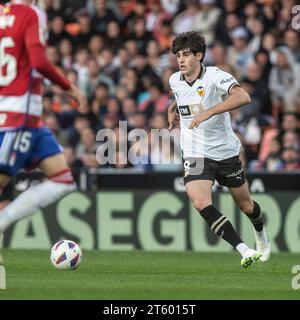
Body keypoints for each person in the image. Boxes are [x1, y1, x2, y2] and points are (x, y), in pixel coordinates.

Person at [168, 31, 270, 268]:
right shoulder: (175, 79)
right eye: (178, 56)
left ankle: (260, 233)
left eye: (186, 55)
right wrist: (173, 108)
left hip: (225, 152)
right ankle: (244, 250)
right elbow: (182, 96)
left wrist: (211, 111)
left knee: (246, 205)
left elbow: (243, 96)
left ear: (199, 55)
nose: (181, 60)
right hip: (194, 152)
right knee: (200, 202)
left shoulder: (215, 76)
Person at [0, 0, 87, 260]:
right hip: (18, 116)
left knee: (63, 180)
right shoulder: (31, 13)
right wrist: (69, 86)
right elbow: (38, 61)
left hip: (27, 118)